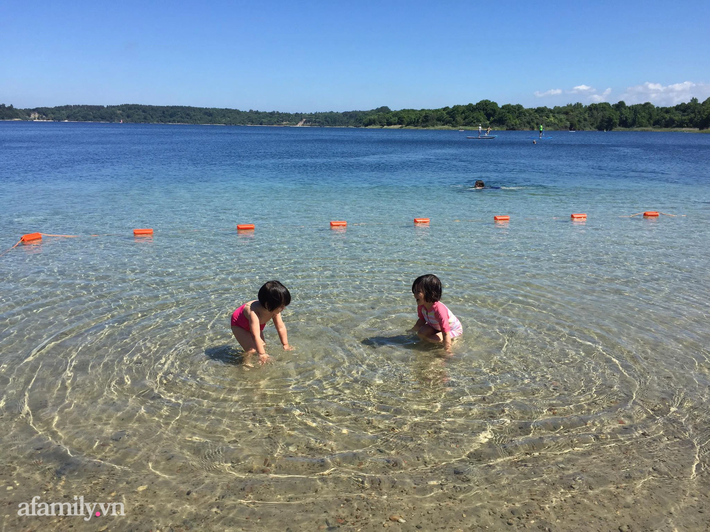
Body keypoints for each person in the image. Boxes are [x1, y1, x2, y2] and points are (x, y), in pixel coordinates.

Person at [231, 280, 292, 365]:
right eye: (281, 306)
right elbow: (255, 335)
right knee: (252, 349)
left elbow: (280, 327)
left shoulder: (274, 310)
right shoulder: (254, 312)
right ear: (268, 305)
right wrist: (262, 354)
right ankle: (247, 364)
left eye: (284, 305)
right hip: (239, 325)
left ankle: (259, 359)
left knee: (262, 345)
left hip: (256, 325)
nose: (283, 308)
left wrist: (285, 344)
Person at [410, 274, 463, 354]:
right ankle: (426, 345)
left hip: (452, 330)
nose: (414, 295)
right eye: (414, 291)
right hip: (435, 326)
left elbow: (445, 332)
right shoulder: (421, 306)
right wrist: (411, 332)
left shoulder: (439, 310)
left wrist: (448, 350)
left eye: (418, 292)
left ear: (430, 293)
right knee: (421, 333)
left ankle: (451, 343)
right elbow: (421, 320)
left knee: (433, 339)